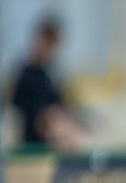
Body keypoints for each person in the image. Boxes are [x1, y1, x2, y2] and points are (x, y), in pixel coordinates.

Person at [8, 16, 89, 150]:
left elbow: (63, 103)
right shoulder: (26, 75)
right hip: (36, 139)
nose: (52, 50)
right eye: (49, 45)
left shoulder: (50, 75)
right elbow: (22, 109)